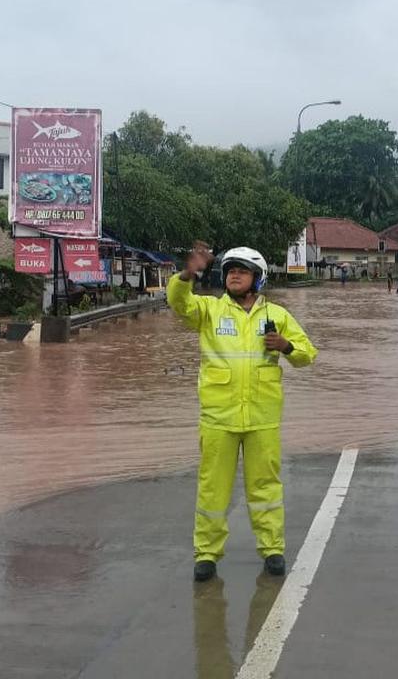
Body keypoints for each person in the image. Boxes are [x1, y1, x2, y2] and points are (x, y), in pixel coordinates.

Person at [167, 243, 318, 582]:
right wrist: (187, 274)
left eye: (242, 270)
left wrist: (287, 346)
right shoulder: (208, 311)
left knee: (266, 487)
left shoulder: (276, 316)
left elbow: (308, 354)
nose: (234, 274)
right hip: (218, 418)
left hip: (263, 418)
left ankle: (272, 549)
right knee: (212, 490)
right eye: (230, 270)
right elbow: (178, 302)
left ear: (257, 278)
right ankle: (206, 554)